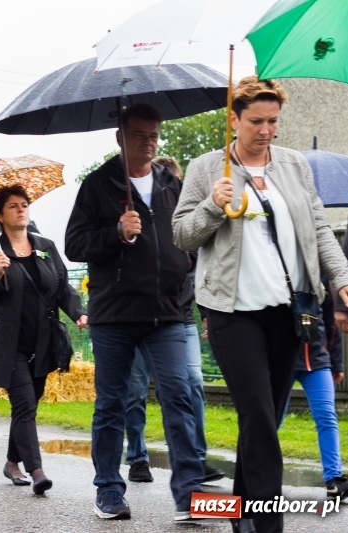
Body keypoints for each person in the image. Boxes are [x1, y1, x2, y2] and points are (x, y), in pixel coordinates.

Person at [173, 76, 348, 533]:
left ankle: (240, 516)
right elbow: (182, 236)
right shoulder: (206, 167)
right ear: (234, 120)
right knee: (256, 413)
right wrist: (212, 205)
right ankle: (268, 526)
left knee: (265, 422)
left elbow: (319, 229)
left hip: (289, 310)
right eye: (256, 121)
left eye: (273, 121)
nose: (266, 130)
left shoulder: (294, 165)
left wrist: (343, 278)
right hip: (231, 312)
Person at [65, 103, 204, 521]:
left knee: (179, 397)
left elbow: (190, 235)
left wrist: (189, 266)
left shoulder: (171, 183)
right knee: (112, 403)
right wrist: (115, 232)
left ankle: (189, 494)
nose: (149, 142)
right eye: (140, 134)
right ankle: (109, 489)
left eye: (154, 135)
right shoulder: (97, 184)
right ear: (119, 137)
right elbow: (74, 244)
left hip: (167, 314)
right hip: (115, 315)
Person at [0, 184, 87, 496]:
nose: (21, 209)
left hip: (43, 342)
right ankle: (37, 471)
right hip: (8, 345)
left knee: (28, 405)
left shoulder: (45, 246)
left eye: (24, 204)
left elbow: (63, 288)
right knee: (24, 403)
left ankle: (12, 462)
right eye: (13, 206)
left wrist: (78, 313)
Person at [123, 155, 224, 485]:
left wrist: (207, 314)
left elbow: (202, 272)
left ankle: (196, 457)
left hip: (180, 318)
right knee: (135, 390)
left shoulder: (190, 223)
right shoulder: (138, 217)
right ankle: (137, 457)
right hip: (138, 319)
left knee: (192, 382)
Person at [279, 277, 348, 501]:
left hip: (317, 361)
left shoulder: (321, 277)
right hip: (282, 359)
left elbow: (332, 324)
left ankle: (334, 480)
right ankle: (258, 477)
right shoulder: (275, 273)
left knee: (327, 417)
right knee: (270, 420)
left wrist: (336, 363)